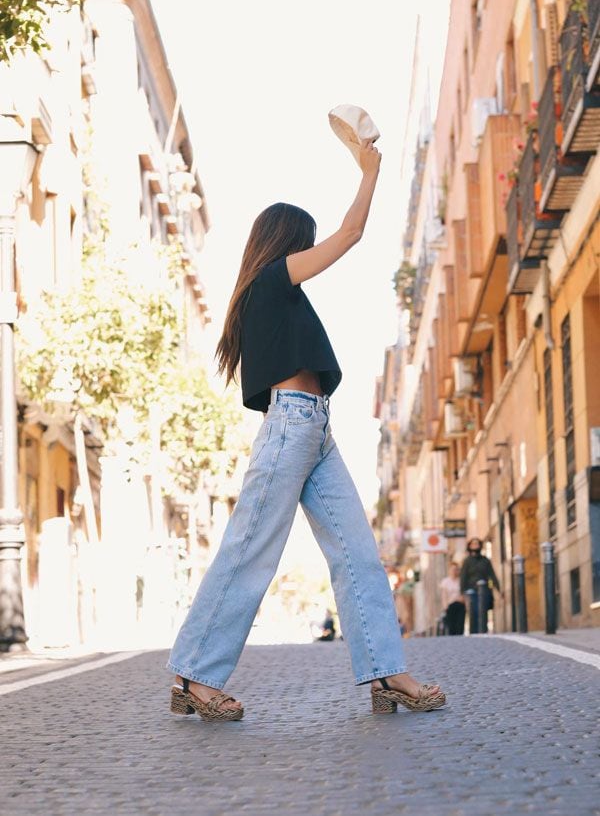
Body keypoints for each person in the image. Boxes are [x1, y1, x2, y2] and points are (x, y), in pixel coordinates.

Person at [166, 139, 446, 721]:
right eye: (305, 239)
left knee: (359, 554)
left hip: (315, 432)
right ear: (287, 242)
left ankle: (386, 673)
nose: (312, 249)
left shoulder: (277, 296)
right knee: (251, 551)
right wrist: (369, 173)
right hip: (291, 426)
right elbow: (349, 236)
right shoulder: (271, 280)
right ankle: (195, 675)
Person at [460, 538, 501, 634]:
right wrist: (462, 592)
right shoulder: (467, 561)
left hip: (484, 590)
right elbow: (463, 577)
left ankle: (483, 630)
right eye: (473, 544)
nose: (475, 546)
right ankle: (474, 632)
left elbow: (492, 574)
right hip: (472, 590)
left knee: (483, 610)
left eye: (477, 544)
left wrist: (498, 589)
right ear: (469, 546)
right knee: (474, 611)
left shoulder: (485, 560)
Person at [439, 562, 465, 636]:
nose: (454, 571)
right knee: (452, 627)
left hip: (460, 604)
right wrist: (445, 607)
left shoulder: (461, 581)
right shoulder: (445, 581)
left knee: (460, 627)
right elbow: (444, 595)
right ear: (449, 570)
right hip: (450, 605)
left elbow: (463, 593)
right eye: (452, 569)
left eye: (456, 569)